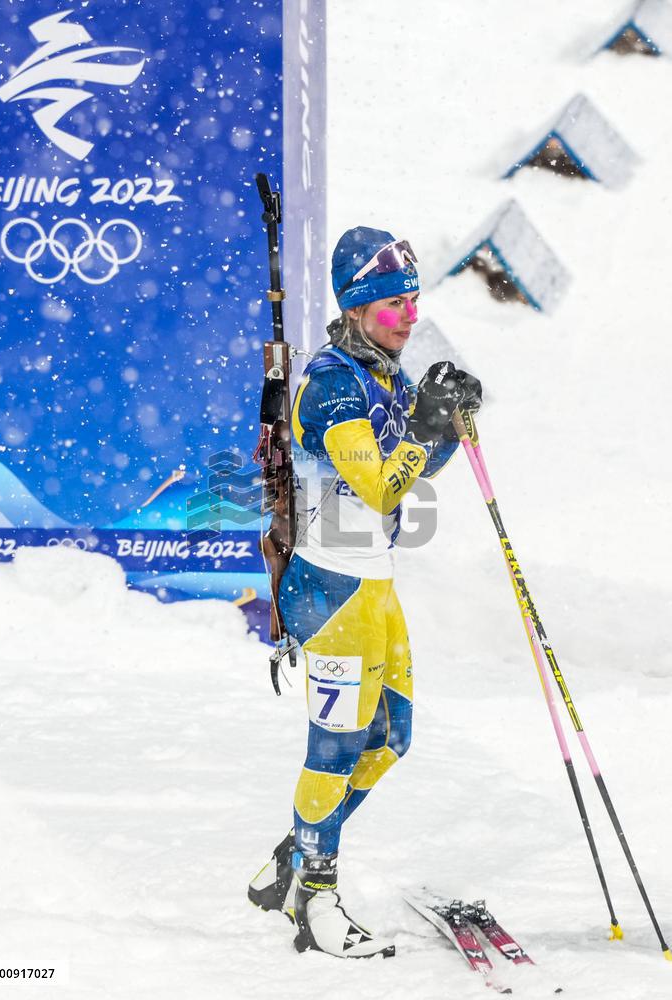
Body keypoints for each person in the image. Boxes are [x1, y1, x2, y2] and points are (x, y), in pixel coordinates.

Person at [248, 227, 483, 958]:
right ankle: (313, 905)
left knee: (390, 738)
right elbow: (380, 482)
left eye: (412, 301)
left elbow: (413, 468)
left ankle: (298, 852)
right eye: (390, 307)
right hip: (331, 593)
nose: (407, 317)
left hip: (375, 588)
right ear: (355, 309)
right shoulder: (331, 385)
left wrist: (444, 419)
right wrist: (419, 425)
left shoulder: (382, 371)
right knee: (334, 748)